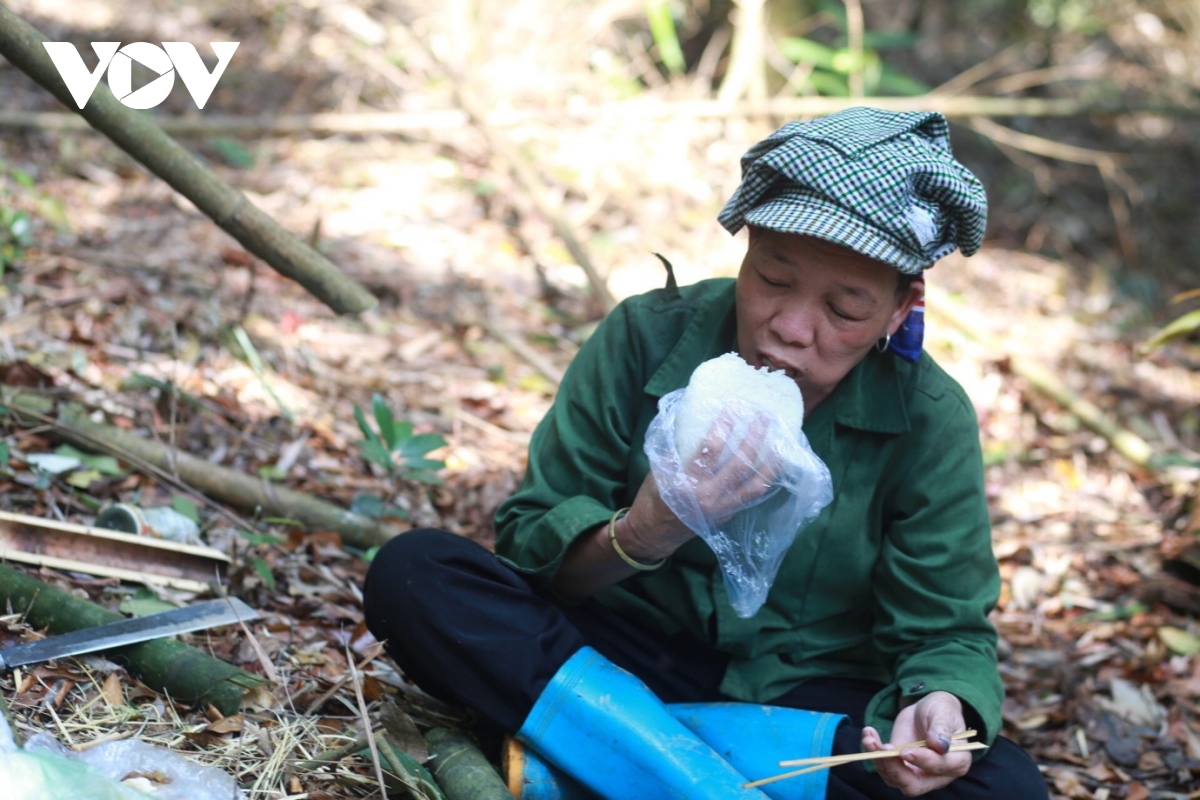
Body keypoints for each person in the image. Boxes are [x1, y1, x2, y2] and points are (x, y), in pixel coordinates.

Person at [363, 107, 1049, 799]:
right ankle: (701, 774)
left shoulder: (929, 419)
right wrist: (642, 532)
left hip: (797, 700)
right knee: (415, 574)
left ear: (901, 311)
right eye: (773, 280)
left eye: (844, 311)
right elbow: (530, 543)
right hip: (613, 652)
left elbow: (945, 631)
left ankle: (585, 756)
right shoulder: (645, 338)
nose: (789, 327)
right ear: (746, 249)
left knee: (1007, 787)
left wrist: (943, 711)